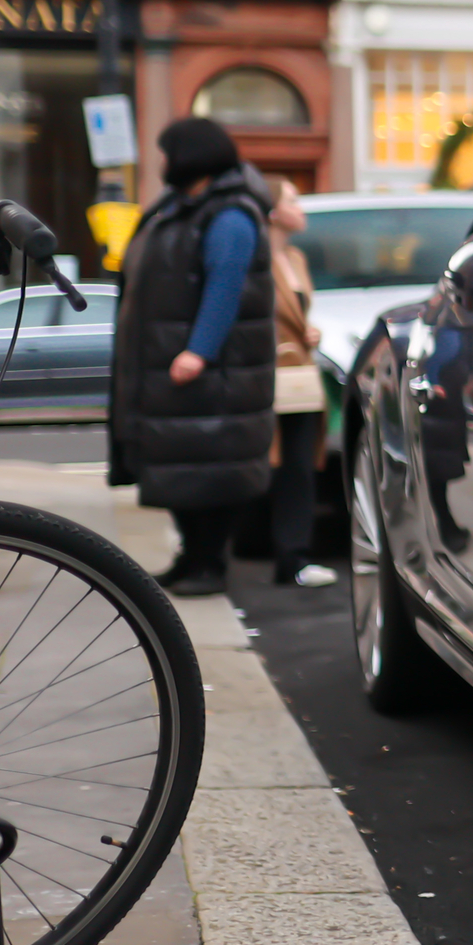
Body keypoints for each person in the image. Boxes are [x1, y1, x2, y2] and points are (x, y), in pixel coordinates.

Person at [108, 117, 276, 597]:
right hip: (169, 363)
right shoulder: (182, 209)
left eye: (167, 153)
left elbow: (226, 284)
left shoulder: (228, 215)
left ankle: (208, 564)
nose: (162, 164)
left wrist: (198, 351)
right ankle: (192, 558)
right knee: (181, 468)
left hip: (206, 372)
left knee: (208, 474)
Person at [266, 179, 338, 589]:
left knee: (299, 464)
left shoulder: (295, 256)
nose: (301, 206)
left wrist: (310, 332)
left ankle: (294, 557)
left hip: (298, 376)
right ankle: (282, 554)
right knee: (273, 466)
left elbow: (296, 312)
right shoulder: (257, 257)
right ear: (273, 211)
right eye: (292, 199)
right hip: (268, 374)